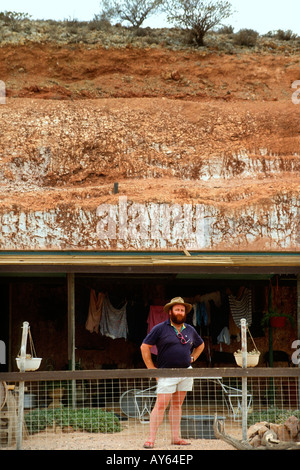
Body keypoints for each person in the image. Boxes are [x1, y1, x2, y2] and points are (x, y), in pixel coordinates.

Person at [140, 296, 205, 449]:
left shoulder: (190, 329)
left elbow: (200, 345)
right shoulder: (160, 328)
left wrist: (193, 358)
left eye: (182, 310)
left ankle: (175, 437)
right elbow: (144, 347)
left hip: (186, 373)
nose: (180, 312)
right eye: (177, 309)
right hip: (166, 373)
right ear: (170, 312)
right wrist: (151, 369)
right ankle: (151, 439)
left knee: (177, 405)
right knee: (161, 405)